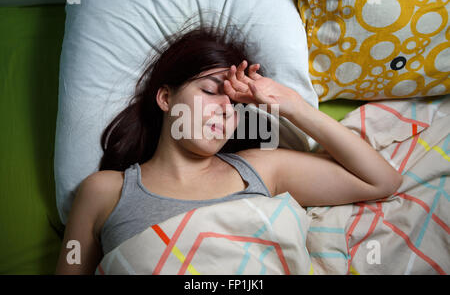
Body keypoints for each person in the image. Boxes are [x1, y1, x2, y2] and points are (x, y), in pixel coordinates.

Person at [55, 25, 402, 274]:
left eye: (235, 105)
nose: (225, 108)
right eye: (209, 91)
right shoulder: (103, 192)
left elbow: (381, 181)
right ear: (165, 98)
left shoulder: (262, 168)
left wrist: (292, 105)